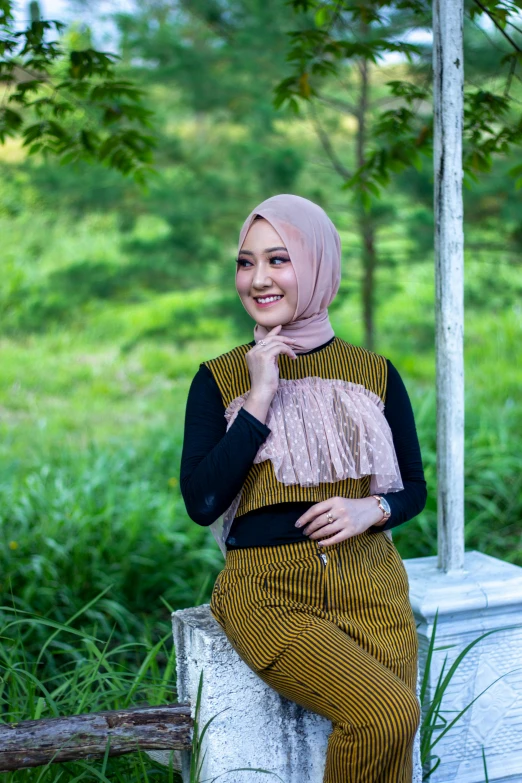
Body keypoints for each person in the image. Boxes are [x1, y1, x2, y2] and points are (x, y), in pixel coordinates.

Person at [180, 193, 427, 783]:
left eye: (278, 260)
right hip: (266, 592)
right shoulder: (219, 378)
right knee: (384, 714)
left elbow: (414, 489)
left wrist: (373, 507)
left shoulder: (375, 373)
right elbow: (202, 502)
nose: (258, 279)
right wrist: (260, 396)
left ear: (317, 266)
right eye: (245, 262)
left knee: (393, 751)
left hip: (371, 580)